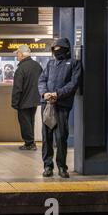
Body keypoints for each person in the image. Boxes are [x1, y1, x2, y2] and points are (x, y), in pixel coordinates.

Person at [38, 38, 82, 178]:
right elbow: (42, 80)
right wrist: (45, 93)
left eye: (59, 48)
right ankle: (47, 166)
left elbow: (73, 84)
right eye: (54, 48)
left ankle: (62, 167)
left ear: (66, 48)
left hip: (62, 105)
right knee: (47, 137)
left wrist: (58, 94)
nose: (56, 51)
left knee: (61, 136)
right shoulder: (50, 64)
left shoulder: (74, 64)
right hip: (47, 104)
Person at [11, 44, 43, 151]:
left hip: (23, 101)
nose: (17, 56)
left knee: (25, 122)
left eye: (17, 54)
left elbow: (17, 88)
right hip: (34, 100)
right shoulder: (37, 66)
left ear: (21, 54)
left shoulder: (21, 69)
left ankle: (29, 143)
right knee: (30, 121)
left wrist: (15, 103)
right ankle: (31, 141)